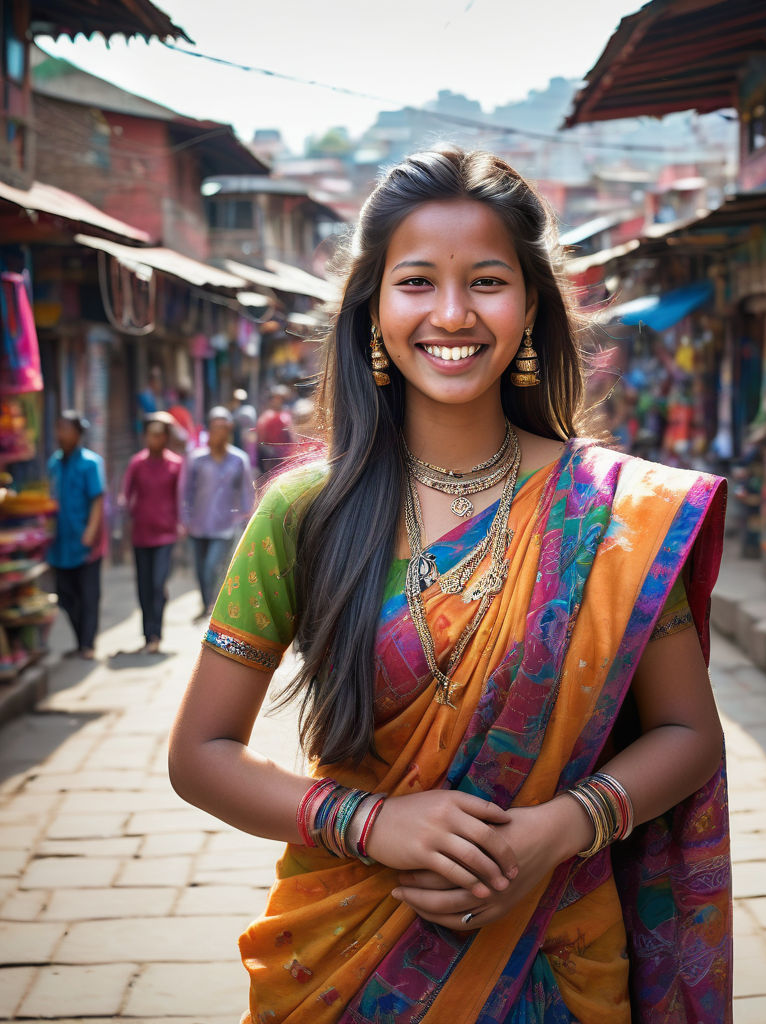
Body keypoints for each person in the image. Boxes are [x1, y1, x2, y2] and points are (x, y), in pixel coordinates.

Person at [169, 147, 730, 1022]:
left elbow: (689, 732)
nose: (453, 313)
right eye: (418, 282)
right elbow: (199, 754)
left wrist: (560, 830)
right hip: (343, 961)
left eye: (488, 281)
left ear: (533, 304)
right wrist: (370, 824)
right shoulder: (306, 513)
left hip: (560, 959)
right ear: (373, 308)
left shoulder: (616, 515)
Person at [180, 407, 253, 623]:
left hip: (225, 525)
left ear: (230, 430)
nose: (220, 431)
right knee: (201, 569)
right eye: (216, 427)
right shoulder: (196, 459)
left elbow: (247, 492)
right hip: (198, 524)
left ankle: (214, 605)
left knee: (213, 565)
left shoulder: (239, 459)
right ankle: (205, 604)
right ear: (209, 429)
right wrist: (184, 519)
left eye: (224, 427)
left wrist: (244, 517)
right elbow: (185, 491)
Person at [119, 412, 184, 654]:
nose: (154, 439)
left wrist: (182, 525)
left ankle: (156, 634)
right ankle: (148, 635)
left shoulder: (175, 464)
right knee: (144, 587)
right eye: (150, 435)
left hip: (165, 533)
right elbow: (126, 494)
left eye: (158, 435)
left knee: (157, 584)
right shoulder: (137, 463)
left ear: (165, 438)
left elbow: (181, 497)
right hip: (141, 533)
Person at [47, 410, 105, 660]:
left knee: (88, 595)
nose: (61, 434)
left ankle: (88, 644)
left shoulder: (90, 463)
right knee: (66, 595)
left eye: (66, 429)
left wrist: (91, 531)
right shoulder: (54, 463)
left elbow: (97, 499)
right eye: (59, 428)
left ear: (78, 434)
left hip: (85, 542)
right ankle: (80, 641)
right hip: (60, 542)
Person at [255, 384, 293, 473]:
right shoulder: (265, 418)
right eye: (276, 398)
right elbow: (261, 440)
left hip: (284, 457)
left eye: (280, 398)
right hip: (270, 458)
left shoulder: (286, 416)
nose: (278, 401)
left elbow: (291, 437)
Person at [229, 387, 258, 462]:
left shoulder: (240, 411)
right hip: (251, 434)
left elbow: (232, 423)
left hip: (243, 435)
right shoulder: (250, 409)